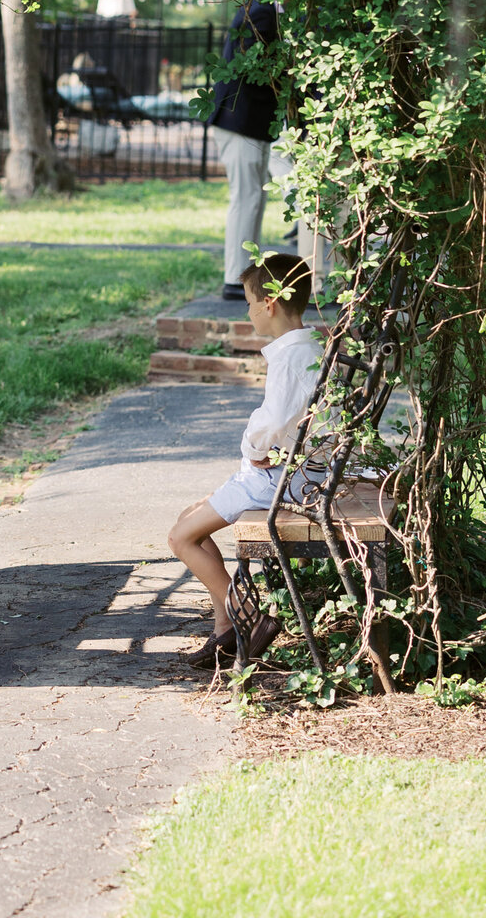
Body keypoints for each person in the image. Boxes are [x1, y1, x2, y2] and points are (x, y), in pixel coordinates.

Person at [167, 253, 323, 670]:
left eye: (251, 304)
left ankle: (247, 616)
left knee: (181, 538)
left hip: (289, 480)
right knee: (190, 517)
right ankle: (226, 633)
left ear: (269, 304)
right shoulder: (310, 345)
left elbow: (271, 421)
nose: (250, 312)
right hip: (303, 471)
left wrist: (254, 452)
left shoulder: (290, 358)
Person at [209, 0, 279, 299]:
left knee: (252, 199)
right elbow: (252, 68)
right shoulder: (261, 11)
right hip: (240, 122)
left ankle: (244, 275)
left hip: (248, 123)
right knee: (246, 199)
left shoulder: (258, 8)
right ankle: (235, 279)